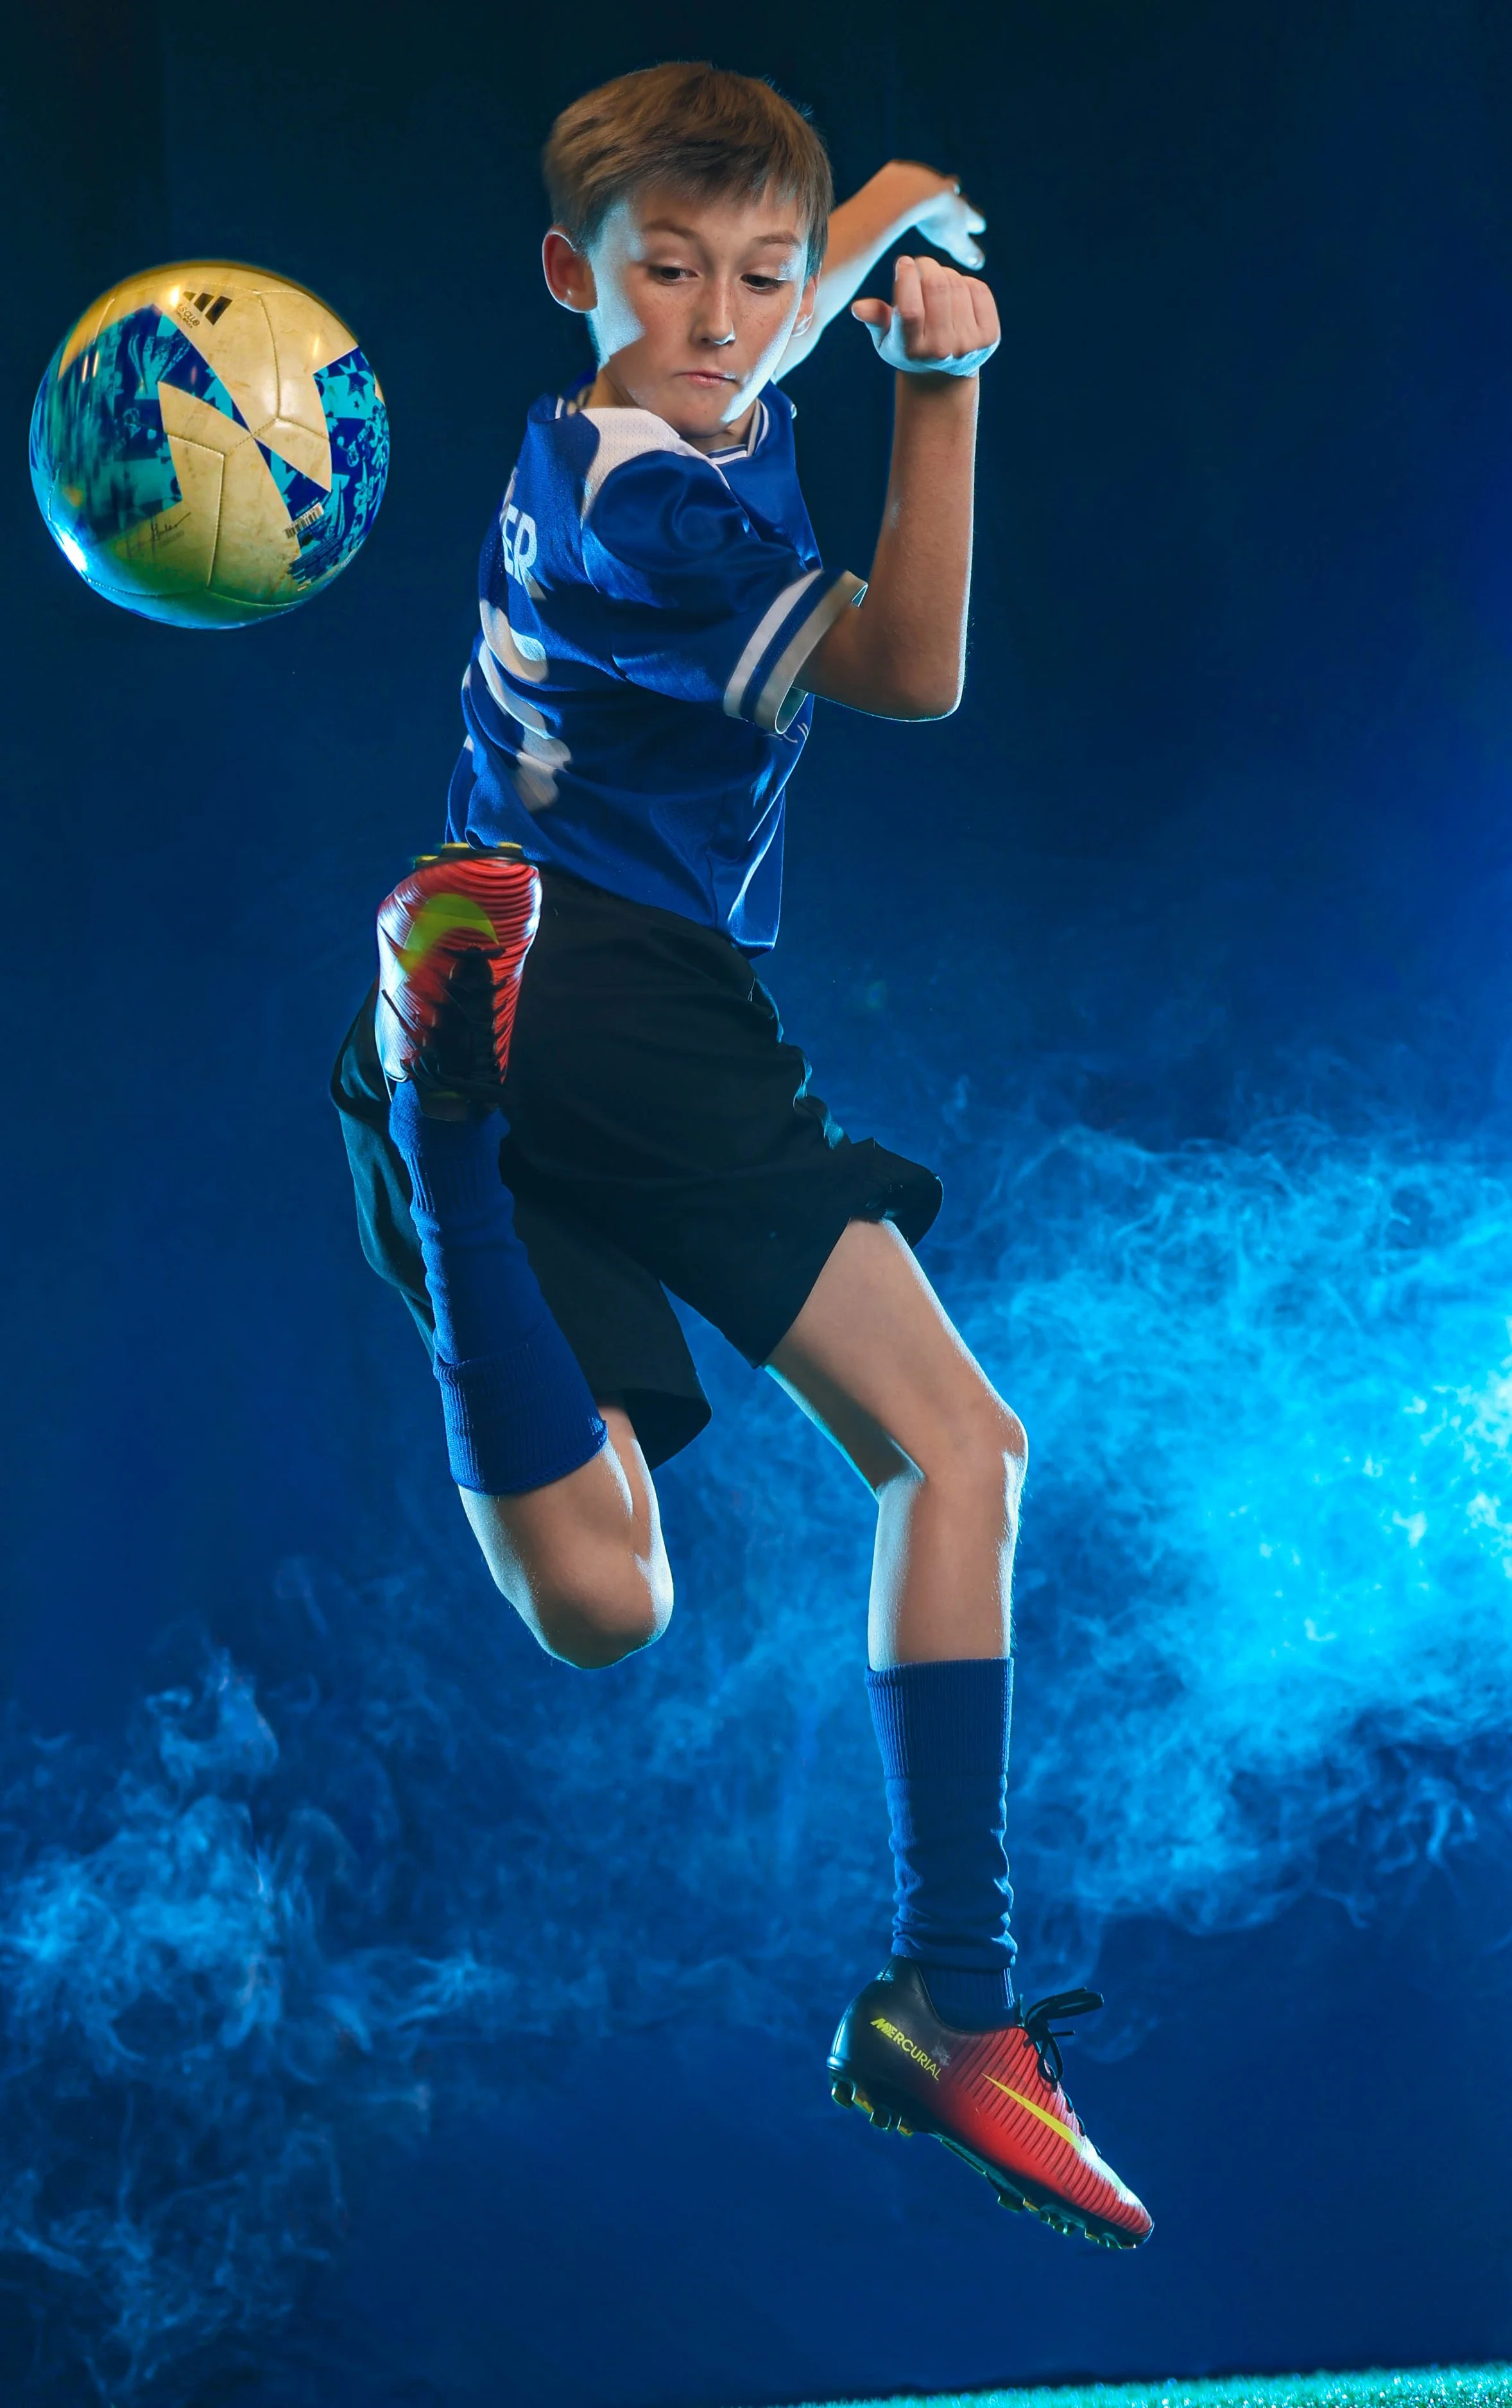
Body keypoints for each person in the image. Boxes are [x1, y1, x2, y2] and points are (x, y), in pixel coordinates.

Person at [334, 60, 1151, 2249]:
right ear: (568, 275)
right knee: (955, 1451)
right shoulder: (655, 518)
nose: (720, 321)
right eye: (670, 276)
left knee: (602, 1601)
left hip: (491, 970)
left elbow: (760, 326)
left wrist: (882, 212)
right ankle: (954, 2003)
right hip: (622, 992)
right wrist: (945, 381)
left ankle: (438, 1126)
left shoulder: (633, 410)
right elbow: (911, 668)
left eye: (756, 279)